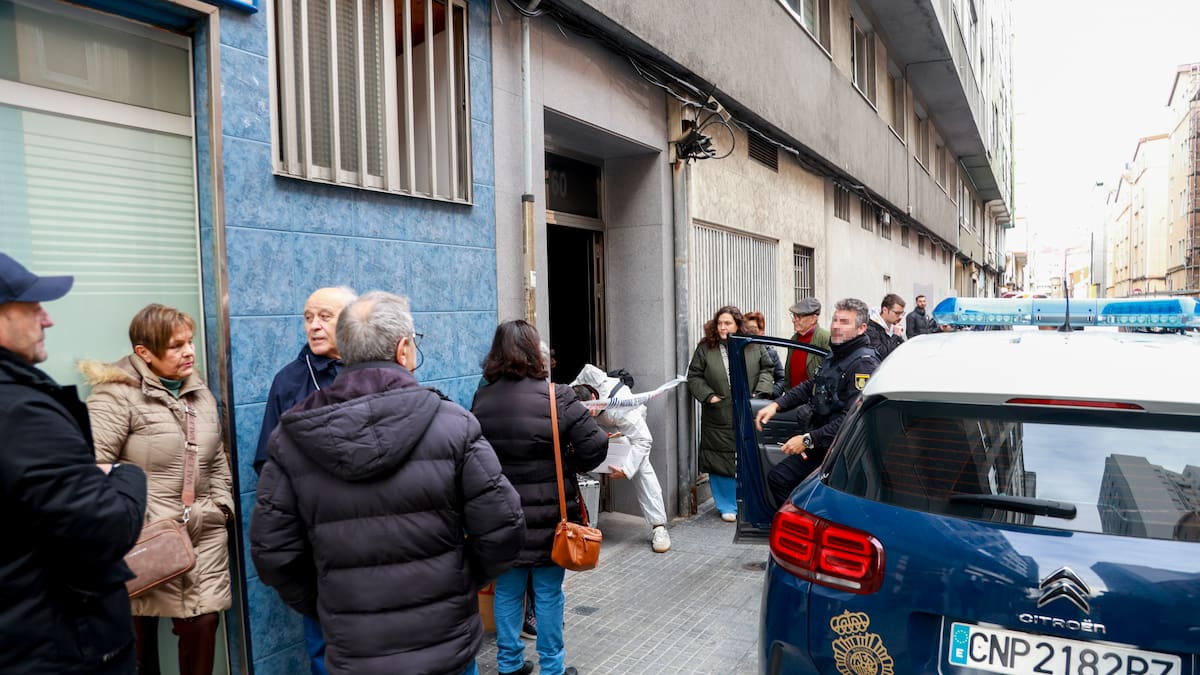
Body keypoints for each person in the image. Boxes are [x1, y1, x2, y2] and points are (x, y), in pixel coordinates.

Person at [252, 292, 526, 675]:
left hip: (354, 651)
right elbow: (505, 529)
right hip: (446, 647)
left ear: (345, 349)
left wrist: (327, 600)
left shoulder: (291, 437)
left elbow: (272, 551)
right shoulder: (454, 425)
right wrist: (461, 579)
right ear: (403, 350)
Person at [0, 253, 148, 675]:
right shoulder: (22, 414)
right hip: (57, 647)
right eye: (32, 308)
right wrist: (125, 474)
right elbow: (104, 527)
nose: (47, 320)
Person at [80, 304, 233, 675]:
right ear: (143, 353)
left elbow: (216, 462)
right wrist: (135, 521)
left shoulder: (201, 395)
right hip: (144, 538)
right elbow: (93, 467)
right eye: (175, 346)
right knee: (139, 648)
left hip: (203, 533)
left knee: (202, 628)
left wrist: (221, 507)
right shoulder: (115, 396)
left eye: (190, 342)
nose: (189, 352)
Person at [471, 320, 608, 675]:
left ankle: (509, 664)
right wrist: (568, 453)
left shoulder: (482, 399)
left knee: (508, 591)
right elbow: (595, 447)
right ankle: (552, 669)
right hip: (551, 520)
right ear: (536, 353)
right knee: (548, 594)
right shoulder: (556, 396)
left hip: (501, 517)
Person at [253, 286, 356, 675]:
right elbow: (266, 461)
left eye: (324, 317)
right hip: (317, 537)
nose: (314, 326)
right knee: (323, 643)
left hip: (375, 529)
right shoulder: (289, 381)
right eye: (308, 317)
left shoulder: (376, 371)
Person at [755, 298, 880, 505]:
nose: (837, 326)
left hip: (842, 453)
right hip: (822, 444)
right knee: (779, 479)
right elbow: (812, 385)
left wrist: (807, 440)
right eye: (835, 320)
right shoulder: (837, 354)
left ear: (862, 328)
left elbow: (851, 419)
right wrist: (777, 405)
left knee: (791, 484)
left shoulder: (862, 364)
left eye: (845, 322)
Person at [687, 306, 775, 522]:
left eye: (728, 323)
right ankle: (726, 505)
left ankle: (747, 501)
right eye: (720, 323)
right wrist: (709, 396)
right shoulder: (706, 348)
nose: (723, 327)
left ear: (738, 325)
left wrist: (759, 393)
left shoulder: (752, 344)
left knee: (747, 456)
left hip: (747, 409)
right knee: (719, 458)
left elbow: (768, 368)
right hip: (718, 412)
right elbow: (694, 376)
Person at [570, 364, 670, 553]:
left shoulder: (623, 408)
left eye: (588, 412)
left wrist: (626, 469)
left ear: (593, 399)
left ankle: (659, 526)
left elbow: (644, 440)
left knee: (642, 467)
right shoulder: (573, 392)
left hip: (624, 428)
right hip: (597, 427)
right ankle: (579, 521)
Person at [784, 298, 831, 388]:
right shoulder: (794, 340)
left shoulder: (825, 339)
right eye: (793, 316)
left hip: (813, 399)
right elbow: (788, 375)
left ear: (813, 319)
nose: (794, 320)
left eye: (799, 317)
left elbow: (830, 374)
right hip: (793, 399)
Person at [742, 311, 786, 398]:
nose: (749, 332)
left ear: (762, 332)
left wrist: (767, 393)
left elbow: (782, 379)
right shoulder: (738, 351)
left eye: (753, 329)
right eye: (746, 329)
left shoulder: (770, 353)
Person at [866, 293, 906, 360]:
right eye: (897, 313)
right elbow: (881, 354)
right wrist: (895, 336)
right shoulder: (871, 328)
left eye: (902, 313)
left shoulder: (893, 326)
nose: (900, 317)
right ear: (885, 310)